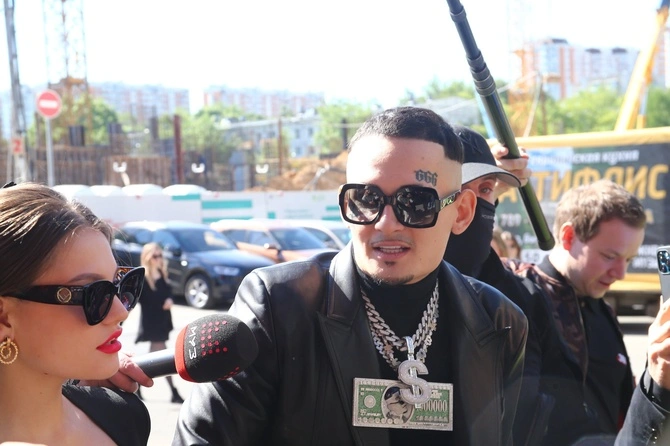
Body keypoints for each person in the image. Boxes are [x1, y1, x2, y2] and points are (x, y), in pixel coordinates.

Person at [174, 106, 528, 445]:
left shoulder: (499, 322)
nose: (386, 223)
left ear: (462, 213)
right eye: (367, 199)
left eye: (415, 203)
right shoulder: (279, 306)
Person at [0, 182, 150, 446]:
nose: (120, 312)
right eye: (91, 293)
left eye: (119, 285)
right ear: (4, 317)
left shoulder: (123, 417)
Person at [444, 125, 560, 445]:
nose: (471, 206)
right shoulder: (393, 294)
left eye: (485, 189)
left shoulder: (522, 298)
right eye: (460, 190)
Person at [506, 179, 644, 445]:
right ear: (569, 237)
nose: (621, 273)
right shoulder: (518, 296)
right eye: (609, 256)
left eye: (628, 259)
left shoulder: (603, 311)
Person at [135, 242, 184, 404]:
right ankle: (174, 392)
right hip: (152, 322)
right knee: (163, 357)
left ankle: (137, 384)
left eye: (160, 255)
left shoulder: (162, 274)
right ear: (147, 258)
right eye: (155, 256)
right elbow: (139, 300)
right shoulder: (144, 278)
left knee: (152, 357)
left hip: (163, 321)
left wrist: (169, 299)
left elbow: (168, 293)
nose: (158, 259)